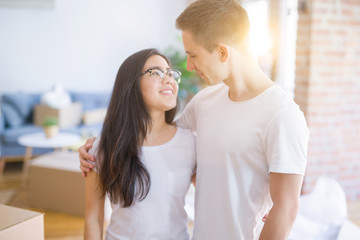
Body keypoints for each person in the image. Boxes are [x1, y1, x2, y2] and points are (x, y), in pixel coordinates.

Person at [80, 0, 309, 239]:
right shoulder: (204, 102)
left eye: (193, 55)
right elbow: (155, 140)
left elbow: (287, 208)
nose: (188, 66)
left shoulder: (283, 116)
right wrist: (96, 148)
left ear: (222, 52)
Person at [83, 48, 196, 240]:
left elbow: (214, 197)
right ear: (131, 84)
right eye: (156, 72)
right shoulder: (103, 146)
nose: (168, 79)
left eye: (170, 73)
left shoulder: (190, 142)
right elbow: (93, 217)